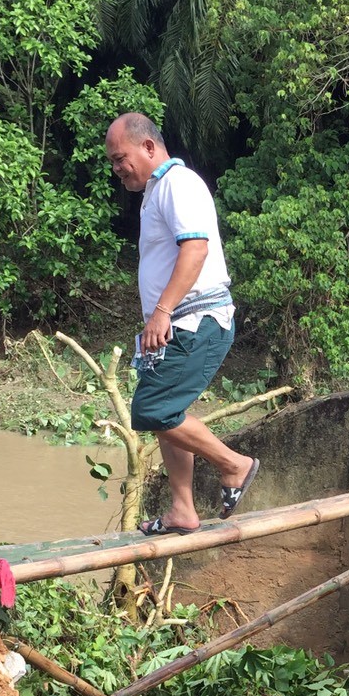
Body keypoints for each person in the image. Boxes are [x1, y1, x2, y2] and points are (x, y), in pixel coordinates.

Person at [104, 112, 260, 535]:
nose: (117, 168)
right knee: (165, 414)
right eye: (113, 162)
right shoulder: (158, 190)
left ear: (148, 147)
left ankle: (235, 465)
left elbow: (195, 249)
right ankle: (182, 510)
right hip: (178, 324)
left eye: (121, 158)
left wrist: (162, 310)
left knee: (153, 409)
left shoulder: (178, 183)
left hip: (196, 320)